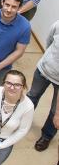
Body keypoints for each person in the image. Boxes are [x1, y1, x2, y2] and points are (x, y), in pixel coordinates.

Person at [28, 19, 59, 154]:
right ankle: (21, 120)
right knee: (32, 96)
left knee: (55, 111)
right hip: (43, 71)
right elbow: (49, 41)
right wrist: (48, 60)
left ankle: (46, 136)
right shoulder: (58, 24)